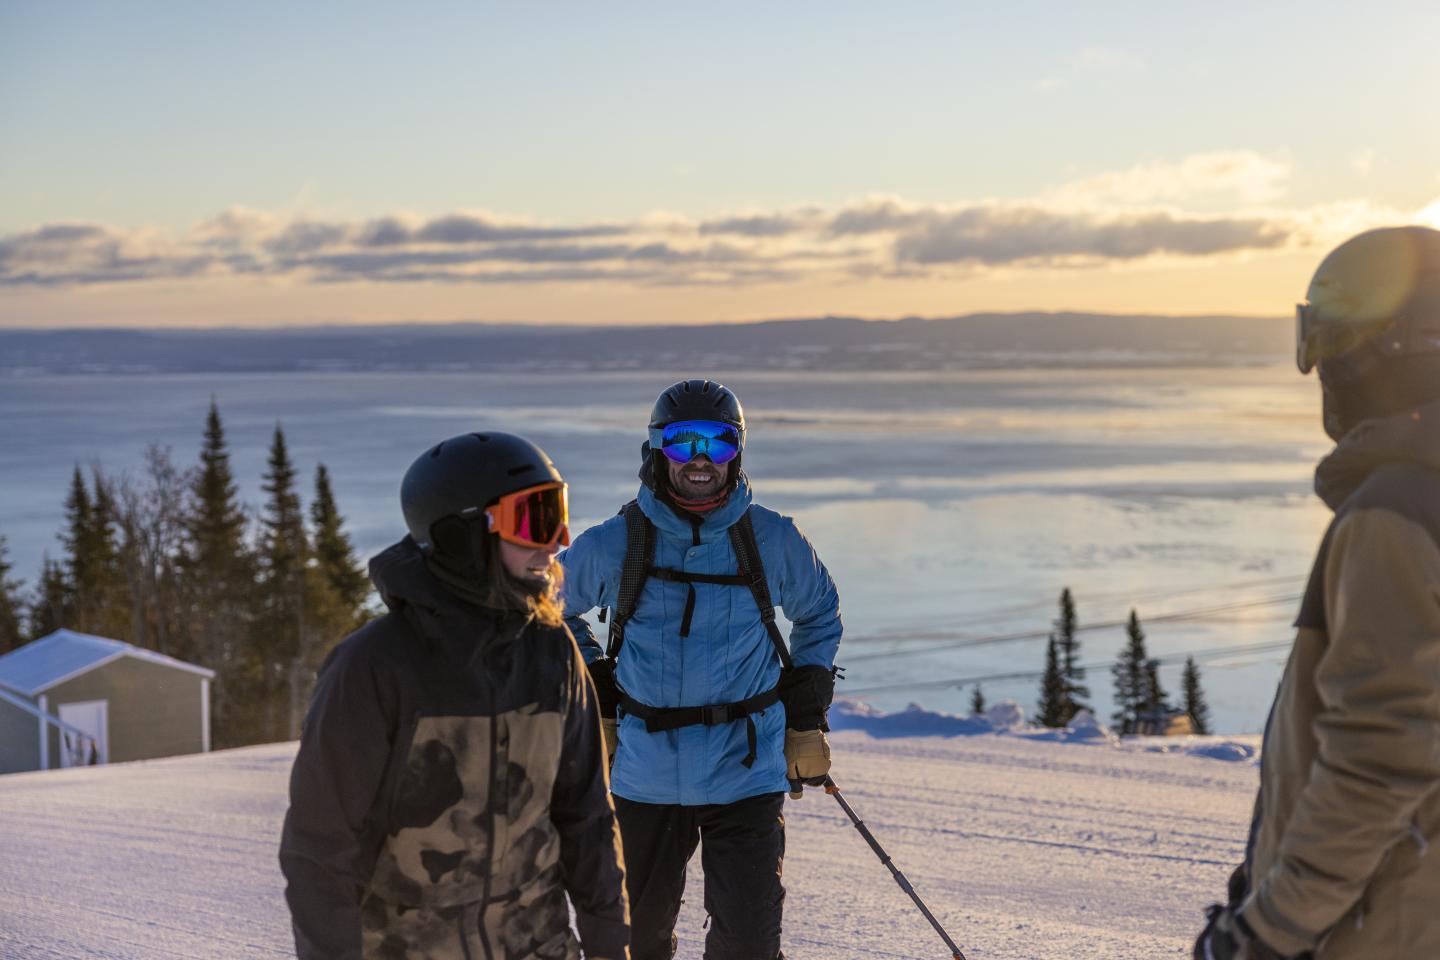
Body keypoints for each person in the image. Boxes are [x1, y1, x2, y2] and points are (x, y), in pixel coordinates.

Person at [279, 432, 629, 960]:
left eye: (558, 510)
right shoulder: (375, 665)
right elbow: (319, 854)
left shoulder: (552, 652)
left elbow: (587, 819)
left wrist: (609, 947)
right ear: (466, 534)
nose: (558, 540)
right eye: (534, 517)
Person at [1195, 225, 1440, 959]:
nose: (1321, 371)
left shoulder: (1394, 513)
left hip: (1377, 930)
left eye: (1331, 344)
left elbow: (1380, 757)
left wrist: (1266, 930)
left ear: (1389, 350)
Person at [561, 379, 843, 960]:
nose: (697, 459)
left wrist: (805, 712)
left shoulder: (772, 538)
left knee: (748, 944)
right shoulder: (616, 542)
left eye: (715, 442)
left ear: (737, 450)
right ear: (655, 449)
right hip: (643, 776)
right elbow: (546, 610)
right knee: (629, 942)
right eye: (679, 441)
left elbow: (819, 614)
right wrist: (599, 690)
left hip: (746, 772)